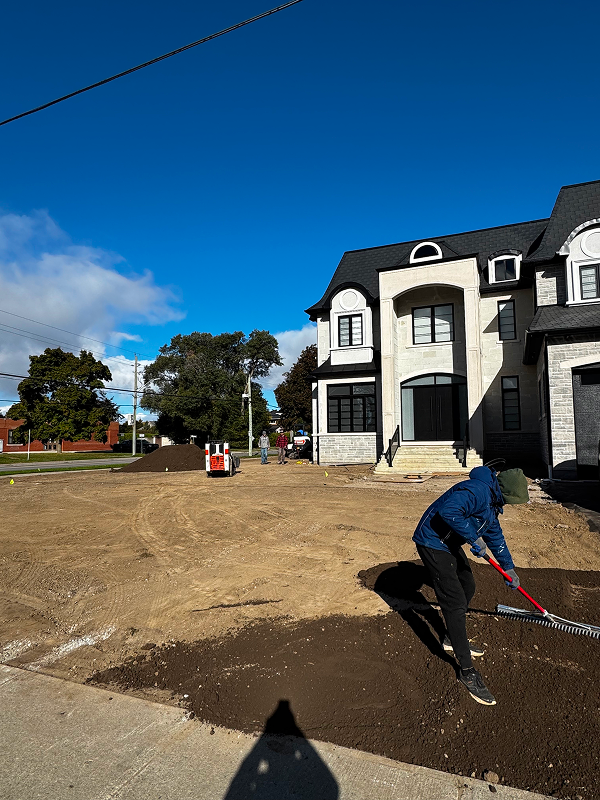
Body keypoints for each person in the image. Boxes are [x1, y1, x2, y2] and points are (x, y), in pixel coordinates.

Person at [412, 465, 520, 706]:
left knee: (468, 585)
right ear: (506, 493)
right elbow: (449, 511)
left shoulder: (491, 502)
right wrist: (473, 536)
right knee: (455, 601)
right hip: (432, 540)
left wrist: (508, 567)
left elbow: (495, 535)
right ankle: (467, 671)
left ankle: (452, 637)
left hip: (448, 541)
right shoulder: (477, 491)